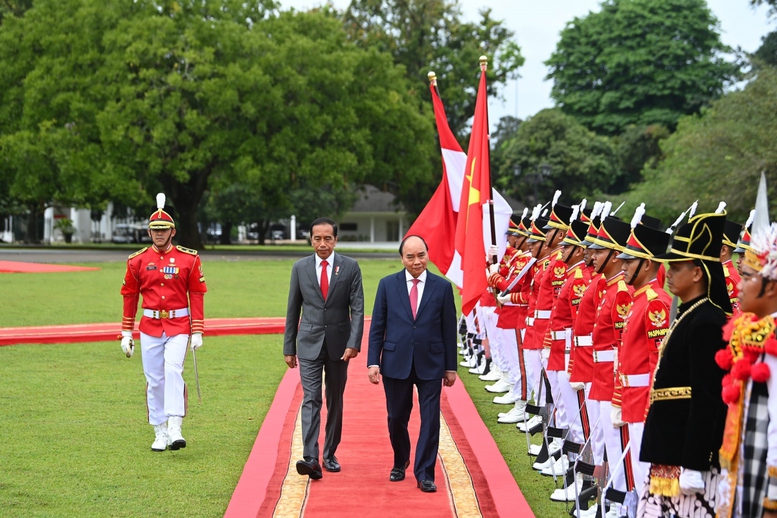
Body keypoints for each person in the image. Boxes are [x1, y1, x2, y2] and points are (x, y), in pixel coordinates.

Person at [637, 211, 732, 517]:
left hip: (685, 454)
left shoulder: (707, 320)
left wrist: (695, 461)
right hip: (670, 446)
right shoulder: (690, 314)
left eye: (676, 268)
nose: (669, 273)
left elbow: (707, 397)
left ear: (697, 273)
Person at [368, 235, 457, 493]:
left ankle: (425, 473)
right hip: (396, 362)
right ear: (402, 258)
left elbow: (448, 329)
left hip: (431, 361)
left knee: (430, 420)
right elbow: (377, 327)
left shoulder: (442, 287)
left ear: (428, 254)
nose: (416, 261)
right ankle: (400, 460)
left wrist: (450, 367)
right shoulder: (387, 285)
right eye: (410, 256)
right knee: (396, 417)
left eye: (421, 255)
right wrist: (373, 361)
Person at [120, 193, 207, 452]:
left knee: (172, 371)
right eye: (155, 230)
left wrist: (198, 329)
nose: (159, 234)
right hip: (149, 326)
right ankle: (158, 430)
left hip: (179, 324)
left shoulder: (188, 259)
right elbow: (129, 295)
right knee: (155, 379)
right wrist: (126, 332)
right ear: (149, 232)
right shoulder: (137, 260)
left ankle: (175, 426)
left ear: (173, 231)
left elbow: (197, 293)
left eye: (164, 230)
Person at [283, 218, 365, 479]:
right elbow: (293, 308)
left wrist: (354, 343)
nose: (322, 243)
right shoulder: (300, 268)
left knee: (335, 400)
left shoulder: (350, 267)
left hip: (340, 346)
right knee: (311, 399)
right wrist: (289, 346)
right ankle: (310, 457)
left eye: (327, 238)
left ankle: (329, 454)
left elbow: (358, 309)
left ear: (336, 240)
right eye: (317, 238)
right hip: (308, 343)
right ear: (311, 240)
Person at [716, 222, 777, 518]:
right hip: (746, 459)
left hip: (766, 472)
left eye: (749, 277)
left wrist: (773, 496)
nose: (738, 285)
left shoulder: (773, 339)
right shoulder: (754, 330)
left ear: (772, 286)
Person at [615, 216, 672, 500]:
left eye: (629, 260)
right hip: (632, 397)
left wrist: (654, 412)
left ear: (647, 264)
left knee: (648, 479)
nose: (622, 265)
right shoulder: (639, 298)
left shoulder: (654, 303)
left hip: (644, 402)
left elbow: (658, 365)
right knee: (640, 478)